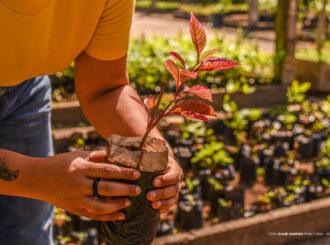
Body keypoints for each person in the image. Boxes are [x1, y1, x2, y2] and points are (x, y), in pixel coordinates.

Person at [0, 0, 183, 244]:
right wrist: (37, 177)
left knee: (28, 235)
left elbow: (105, 88)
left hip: (25, 87)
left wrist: (156, 152)